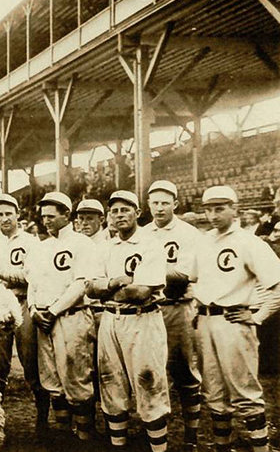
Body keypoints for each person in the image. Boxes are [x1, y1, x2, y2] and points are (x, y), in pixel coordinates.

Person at [188, 186, 280, 452]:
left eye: (220, 208)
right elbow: (194, 280)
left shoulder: (249, 242)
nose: (213, 215)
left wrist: (258, 315)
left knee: (245, 391)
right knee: (213, 393)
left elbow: (277, 285)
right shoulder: (204, 241)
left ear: (234, 209)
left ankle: (261, 449)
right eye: (208, 209)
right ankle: (222, 447)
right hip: (205, 321)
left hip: (233, 321)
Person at [86, 190, 170, 452]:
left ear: (137, 212)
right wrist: (115, 282)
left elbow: (141, 292)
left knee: (149, 383)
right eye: (114, 211)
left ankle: (158, 449)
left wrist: (106, 286)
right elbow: (90, 288)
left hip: (143, 320)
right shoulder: (105, 246)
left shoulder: (150, 243)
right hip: (111, 319)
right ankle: (118, 446)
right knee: (111, 384)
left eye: (125, 209)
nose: (119, 215)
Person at [26, 192, 97, 441]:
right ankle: (65, 435)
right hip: (43, 320)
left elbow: (81, 284)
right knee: (51, 378)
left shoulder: (82, 243)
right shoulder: (40, 247)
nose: (46, 221)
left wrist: (53, 311)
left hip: (71, 317)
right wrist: (34, 309)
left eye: (51, 216)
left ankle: (86, 437)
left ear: (66, 215)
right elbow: (31, 283)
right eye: (43, 216)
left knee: (77, 377)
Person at [0, 194, 50, 437]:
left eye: (9, 213)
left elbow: (32, 275)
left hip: (24, 301)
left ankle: (42, 418)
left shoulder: (32, 242)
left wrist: (4, 274)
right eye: (0, 214)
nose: (4, 218)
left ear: (18, 214)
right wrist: (11, 275)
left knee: (31, 363)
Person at [145, 181, 202, 450]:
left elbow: (183, 276)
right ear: (148, 205)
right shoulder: (142, 233)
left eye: (165, 202)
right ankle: (157, 432)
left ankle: (191, 433)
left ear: (175, 204)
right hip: (148, 310)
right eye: (154, 202)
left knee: (184, 372)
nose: (159, 208)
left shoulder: (189, 233)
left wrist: (146, 272)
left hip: (178, 307)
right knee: (151, 371)